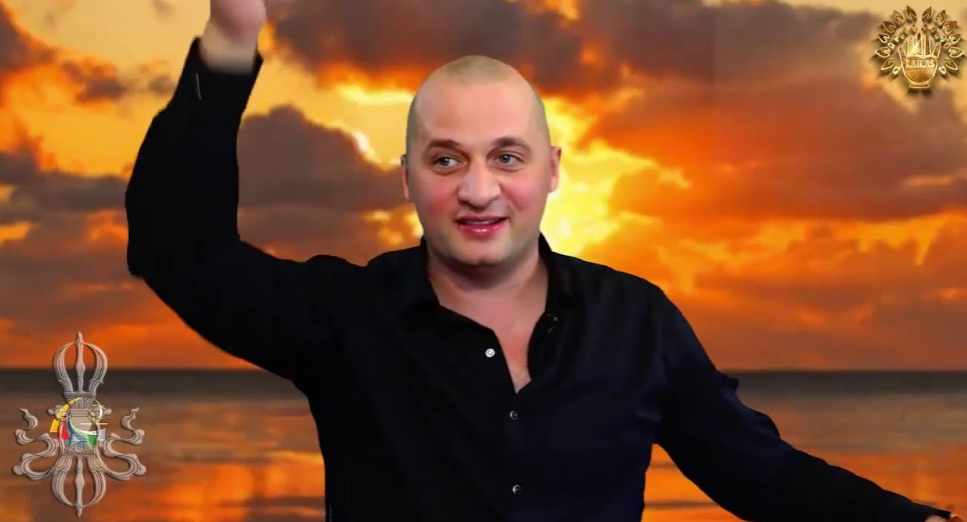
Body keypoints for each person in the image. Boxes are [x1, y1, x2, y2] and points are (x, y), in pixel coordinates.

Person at [124, 0, 960, 521]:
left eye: (506, 157)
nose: (478, 190)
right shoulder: (346, 318)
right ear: (407, 178)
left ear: (553, 170)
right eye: (446, 160)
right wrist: (231, 38)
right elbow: (177, 249)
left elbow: (757, 473)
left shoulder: (636, 323)